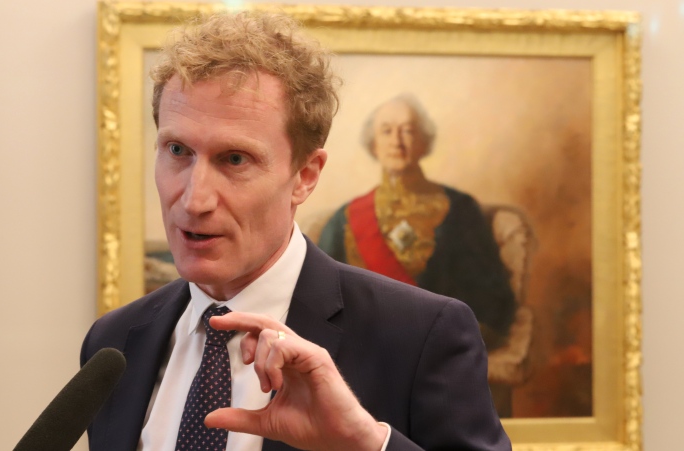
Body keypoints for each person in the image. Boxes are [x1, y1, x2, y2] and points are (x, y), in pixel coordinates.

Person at [81, 11, 510, 451]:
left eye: (234, 160)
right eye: (177, 150)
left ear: (305, 175)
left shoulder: (420, 334)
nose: (194, 200)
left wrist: (368, 442)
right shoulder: (113, 341)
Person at [317, 94, 516, 350]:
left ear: (423, 142)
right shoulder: (344, 219)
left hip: (438, 349)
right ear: (374, 144)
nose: (396, 142)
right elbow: (322, 297)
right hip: (364, 353)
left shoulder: (460, 210)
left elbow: (491, 296)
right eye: (386, 131)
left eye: (408, 131)